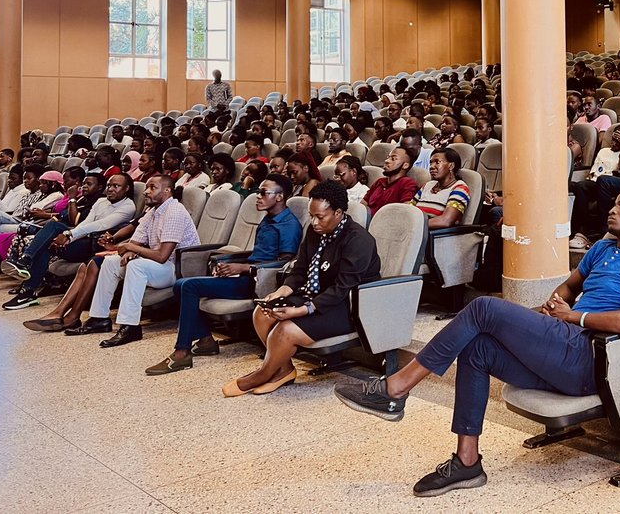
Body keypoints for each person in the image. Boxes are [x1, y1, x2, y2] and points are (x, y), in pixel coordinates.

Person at [332, 187, 620, 497]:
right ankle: (467, 462)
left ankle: (397, 388)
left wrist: (572, 317)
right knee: (477, 350)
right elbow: (568, 288)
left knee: (483, 307)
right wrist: (555, 303)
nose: (612, 209)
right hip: (562, 344)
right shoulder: (601, 248)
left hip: (589, 355)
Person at [226, 180, 381, 397]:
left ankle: (263, 373)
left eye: (320, 216)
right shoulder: (315, 232)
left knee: (285, 329)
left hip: (347, 305)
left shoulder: (359, 240)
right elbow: (300, 269)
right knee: (263, 313)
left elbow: (342, 288)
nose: (314, 222)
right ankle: (284, 370)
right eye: (312, 216)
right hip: (315, 294)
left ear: (338, 213)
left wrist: (301, 310)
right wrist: (283, 291)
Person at [145, 174, 301, 376]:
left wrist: (244, 268)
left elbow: (284, 263)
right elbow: (257, 255)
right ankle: (205, 340)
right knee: (180, 284)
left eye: (263, 192)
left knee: (189, 286)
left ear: (279, 197)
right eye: (258, 192)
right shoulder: (268, 219)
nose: (257, 196)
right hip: (247, 275)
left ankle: (182, 352)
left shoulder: (288, 224)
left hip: (260, 282)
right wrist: (231, 265)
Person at [71, 174, 200, 346]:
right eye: (146, 187)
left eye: (152, 188)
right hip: (155, 265)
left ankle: (130, 326)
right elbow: (134, 242)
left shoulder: (175, 211)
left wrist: (132, 250)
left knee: (136, 266)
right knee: (110, 263)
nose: (146, 192)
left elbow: (162, 256)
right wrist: (119, 249)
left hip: (175, 268)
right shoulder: (152, 212)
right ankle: (99, 319)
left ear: (167, 191)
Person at [5, 173, 136, 309]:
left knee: (55, 228)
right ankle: (27, 290)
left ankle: (25, 265)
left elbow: (101, 225)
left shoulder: (128, 206)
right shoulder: (101, 201)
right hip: (82, 239)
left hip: (96, 245)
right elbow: (86, 223)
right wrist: (68, 238)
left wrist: (68, 235)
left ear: (126, 188)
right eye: (109, 185)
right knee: (49, 241)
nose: (110, 189)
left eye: (116, 186)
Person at [569, 126, 620, 250]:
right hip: (595, 183)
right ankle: (580, 232)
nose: (613, 143)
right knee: (578, 186)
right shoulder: (603, 151)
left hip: (610, 187)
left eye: (618, 141)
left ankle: (602, 231)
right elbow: (593, 173)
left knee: (600, 181)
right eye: (613, 139)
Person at [413, 148, 471, 229]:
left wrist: (413, 225)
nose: (431, 167)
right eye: (431, 163)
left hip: (433, 236)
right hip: (413, 231)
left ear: (451, 166)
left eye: (437, 162)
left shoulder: (460, 188)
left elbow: (446, 221)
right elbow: (410, 208)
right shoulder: (428, 185)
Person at [364, 147, 419, 216]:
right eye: (388, 157)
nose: (387, 161)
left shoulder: (407, 183)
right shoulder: (379, 182)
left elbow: (406, 211)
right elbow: (363, 204)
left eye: (393, 159)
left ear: (405, 165)